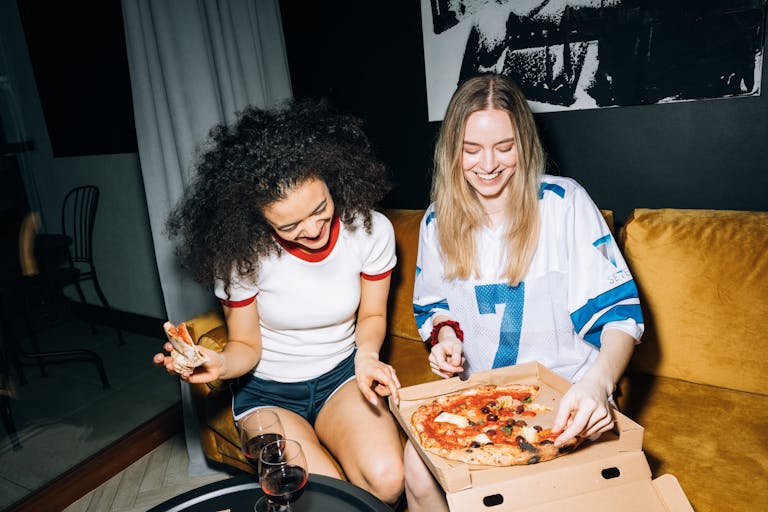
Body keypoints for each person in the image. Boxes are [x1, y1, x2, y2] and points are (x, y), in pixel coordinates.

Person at [404, 73, 644, 511]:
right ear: (451, 149)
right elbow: (435, 306)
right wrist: (447, 338)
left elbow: (619, 318)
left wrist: (598, 383)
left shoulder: (565, 203)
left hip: (568, 394)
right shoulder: (437, 220)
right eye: (471, 149)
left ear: (525, 144)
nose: (488, 164)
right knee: (416, 468)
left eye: (505, 146)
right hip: (482, 398)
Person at [153, 99, 404, 504]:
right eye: (289, 225)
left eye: (320, 209)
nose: (313, 230)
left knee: (389, 480)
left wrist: (368, 357)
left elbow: (373, 314)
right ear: (257, 217)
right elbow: (245, 345)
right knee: (324, 500)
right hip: (268, 394)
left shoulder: (371, 230)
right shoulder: (243, 256)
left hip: (342, 378)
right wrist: (219, 364)